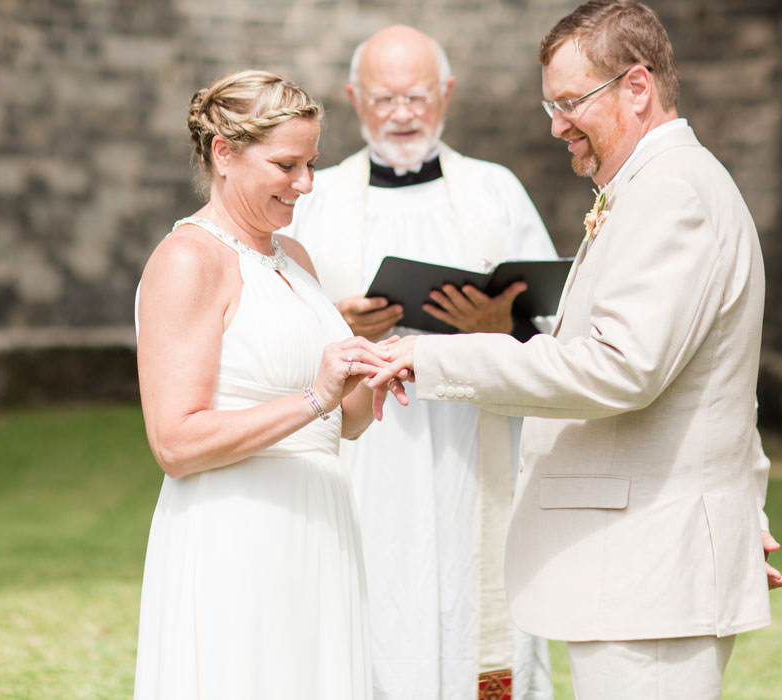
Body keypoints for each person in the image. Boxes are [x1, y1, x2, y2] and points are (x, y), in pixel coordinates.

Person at [369, 3, 782, 699]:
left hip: (650, 574)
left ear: (636, 87)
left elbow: (616, 368)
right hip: (646, 566)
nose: (556, 124)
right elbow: (714, 385)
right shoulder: (652, 187)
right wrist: (739, 507)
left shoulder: (672, 193)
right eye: (550, 104)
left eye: (569, 103)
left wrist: (432, 358)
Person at [280, 24, 556, 700]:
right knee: (377, 613)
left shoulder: (496, 191)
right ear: (353, 98)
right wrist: (337, 323)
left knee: (474, 599)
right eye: (383, 99)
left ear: (447, 95)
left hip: (473, 447)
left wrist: (501, 321)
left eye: (417, 97)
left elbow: (556, 328)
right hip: (366, 456)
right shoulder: (315, 201)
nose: (402, 115)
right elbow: (274, 323)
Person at [132, 70, 389, 700]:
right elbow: (176, 443)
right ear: (224, 154)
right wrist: (314, 396)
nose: (305, 183)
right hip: (239, 537)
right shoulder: (190, 260)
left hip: (321, 526)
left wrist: (369, 374)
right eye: (285, 165)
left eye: (311, 163)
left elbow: (343, 422)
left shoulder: (294, 259)